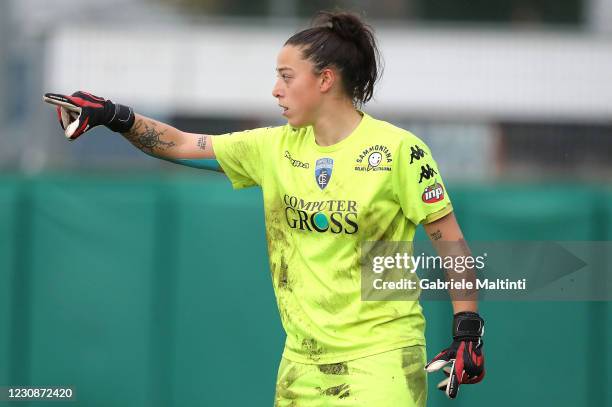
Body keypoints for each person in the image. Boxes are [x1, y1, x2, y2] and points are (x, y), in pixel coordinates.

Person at [43, 10, 485, 406]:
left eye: (286, 76)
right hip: (301, 366)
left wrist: (467, 326)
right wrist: (116, 116)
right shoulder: (271, 147)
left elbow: (450, 241)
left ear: (326, 79)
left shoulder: (400, 151)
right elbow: (178, 142)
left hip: (382, 360)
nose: (275, 90)